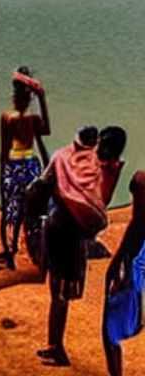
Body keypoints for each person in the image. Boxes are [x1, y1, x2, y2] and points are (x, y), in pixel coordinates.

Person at [36, 125, 127, 367]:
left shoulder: (106, 168)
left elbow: (98, 201)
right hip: (63, 228)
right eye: (100, 144)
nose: (101, 150)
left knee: (59, 294)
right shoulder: (96, 164)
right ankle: (55, 345)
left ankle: (56, 347)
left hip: (67, 231)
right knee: (57, 292)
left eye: (106, 147)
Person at [0, 67, 51, 271]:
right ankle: (14, 247)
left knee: (8, 211)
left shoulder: (8, 117)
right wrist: (42, 99)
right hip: (31, 165)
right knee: (24, 211)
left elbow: (4, 150)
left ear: (14, 95)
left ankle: (9, 252)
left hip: (14, 166)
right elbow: (47, 130)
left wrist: (1, 176)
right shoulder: (33, 118)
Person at [103, 171, 145, 376]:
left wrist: (119, 271)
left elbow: (130, 249)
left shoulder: (140, 220)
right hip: (135, 273)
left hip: (134, 274)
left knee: (109, 332)